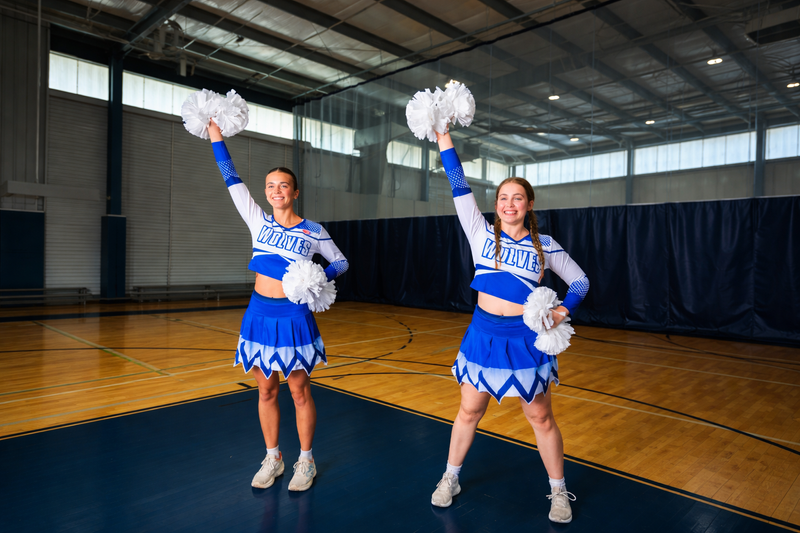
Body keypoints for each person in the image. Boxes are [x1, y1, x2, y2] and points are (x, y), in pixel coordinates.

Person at [430, 130, 589, 523]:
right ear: (496, 204)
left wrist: (559, 313)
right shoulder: (479, 230)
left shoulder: (545, 246)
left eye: (517, 197)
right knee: (468, 412)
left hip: (524, 339)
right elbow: (458, 182)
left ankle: (557, 492)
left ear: (529, 204)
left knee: (540, 418)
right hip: (482, 335)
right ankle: (450, 478)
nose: (509, 203)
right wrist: (443, 138)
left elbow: (582, 283)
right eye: (503, 197)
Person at [208, 120, 348, 491]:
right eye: (270, 186)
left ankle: (306, 460)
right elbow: (231, 178)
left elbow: (341, 262)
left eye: (283, 185)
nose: (275, 191)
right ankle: (273, 457)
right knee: (266, 390)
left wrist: (319, 280)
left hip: (294, 316)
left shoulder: (313, 230)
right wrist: (215, 136)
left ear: (295, 192)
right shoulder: (257, 221)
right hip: (258, 314)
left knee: (300, 391)